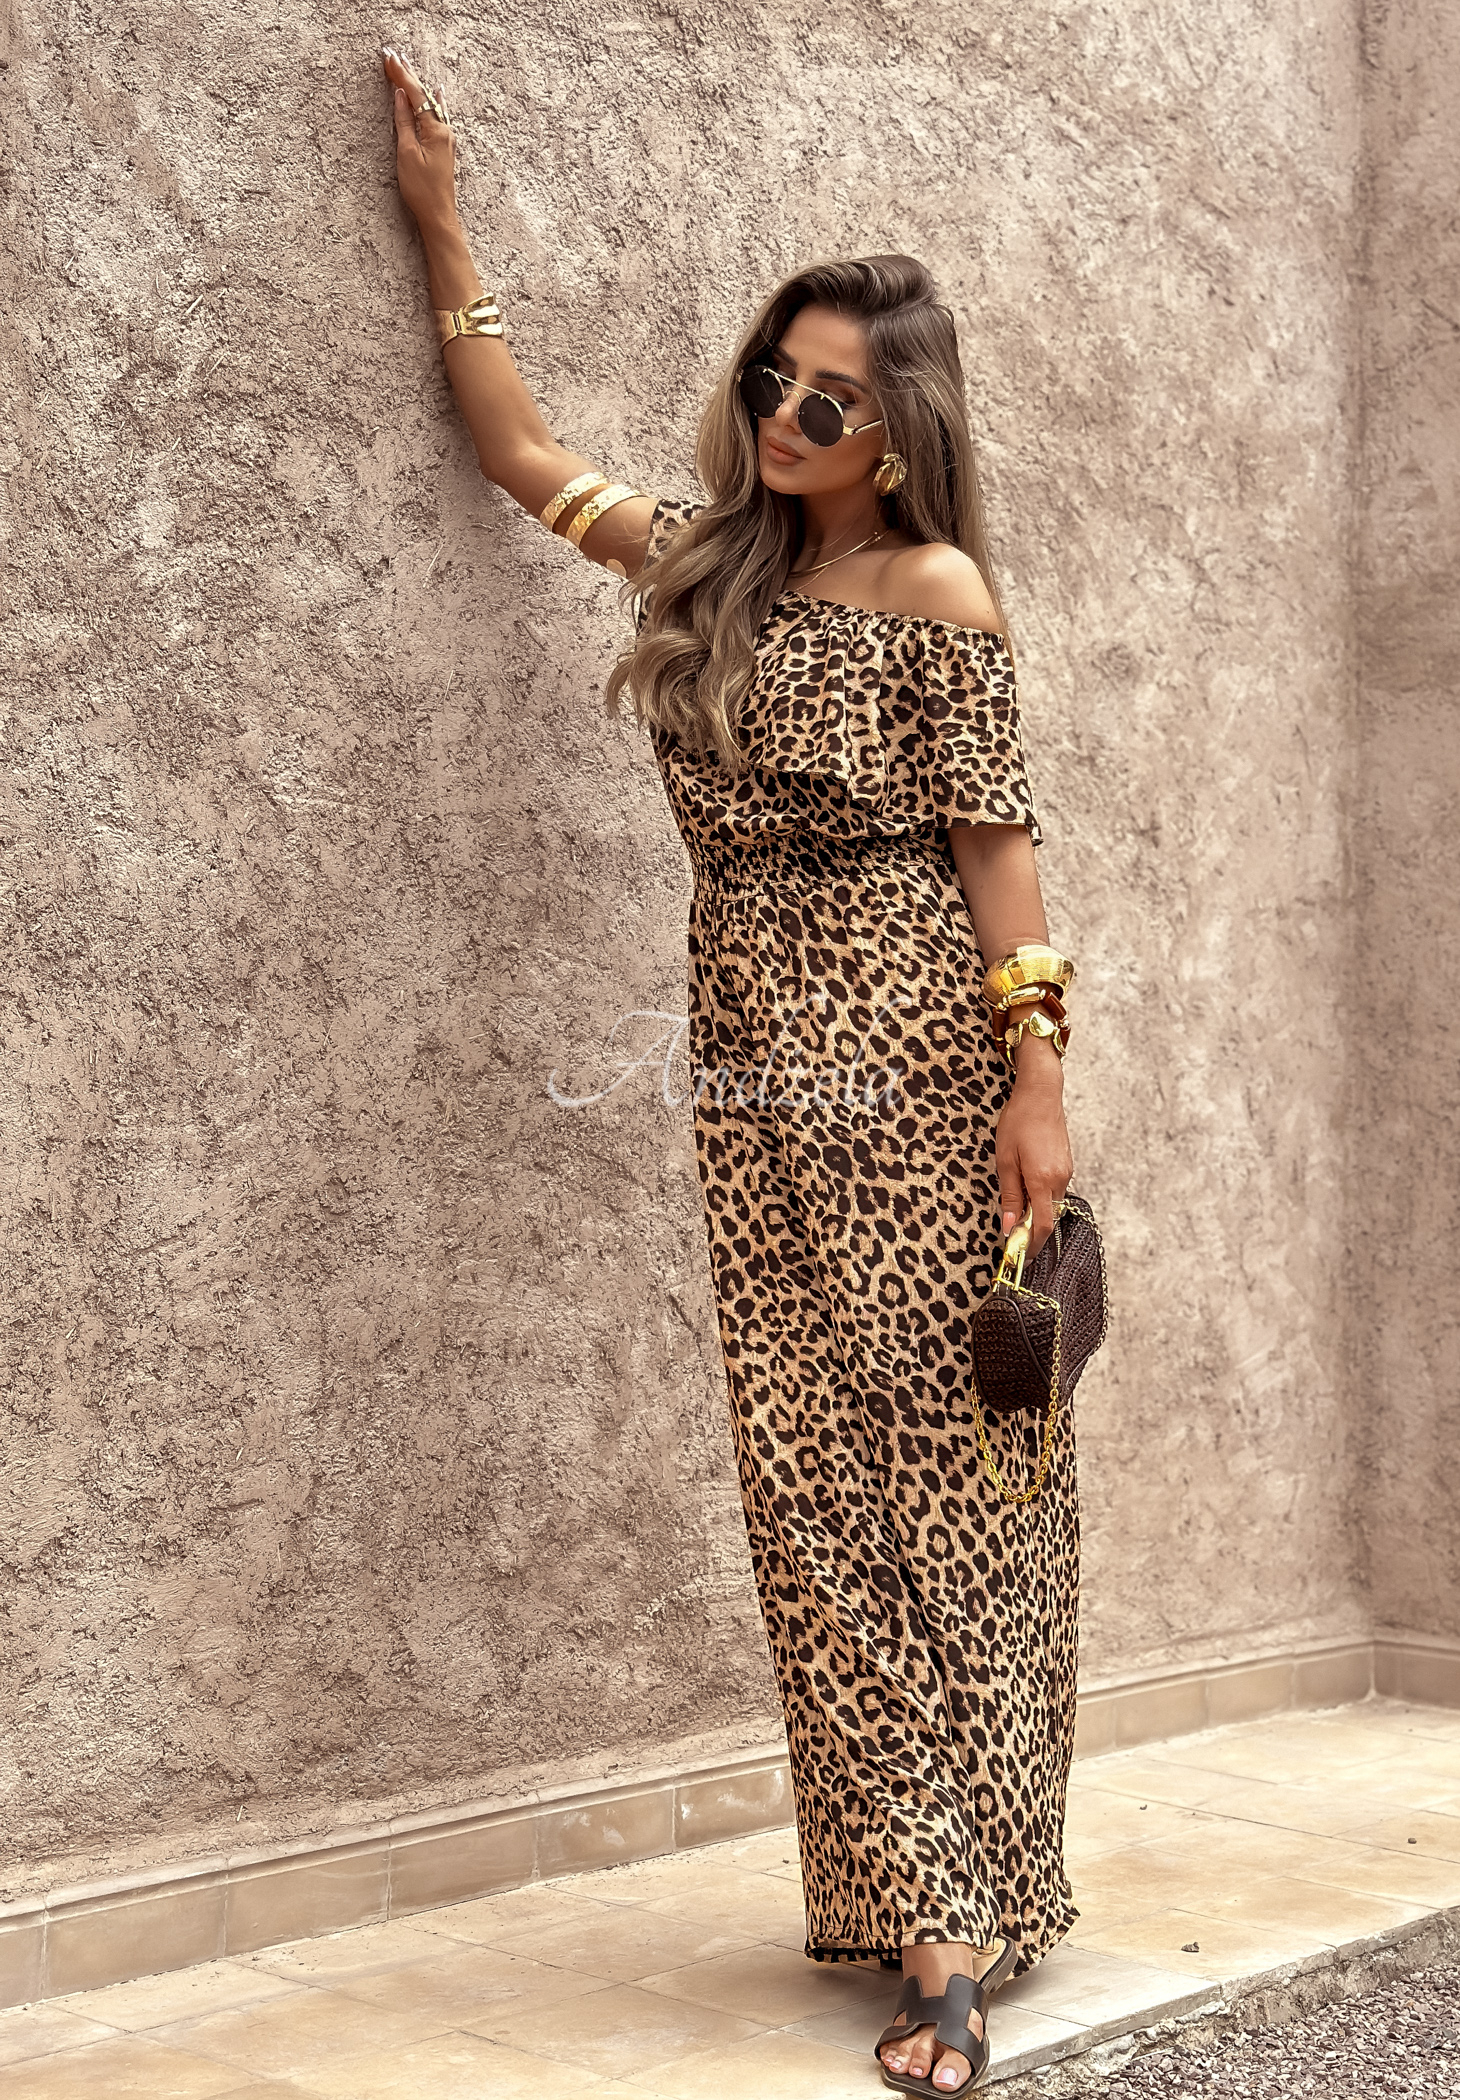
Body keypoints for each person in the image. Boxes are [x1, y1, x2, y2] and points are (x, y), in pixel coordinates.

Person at [380, 47, 1081, 2096]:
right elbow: (518, 453)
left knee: (951, 1478)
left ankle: (957, 1921)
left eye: (835, 398)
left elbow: (997, 851)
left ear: (905, 429)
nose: (791, 415)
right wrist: (443, 228)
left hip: (915, 1064)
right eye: (777, 378)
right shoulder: (708, 566)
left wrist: (1039, 1083)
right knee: (803, 1481)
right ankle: (908, 1882)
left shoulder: (937, 591)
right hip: (749, 1064)